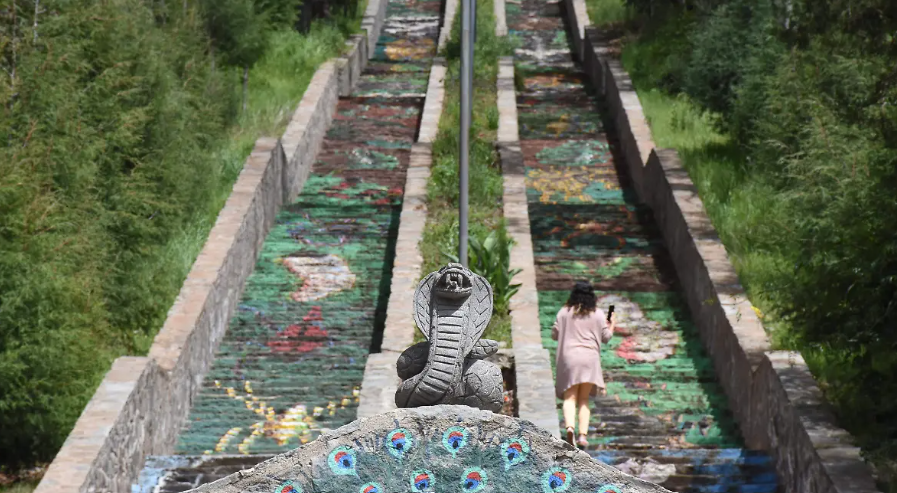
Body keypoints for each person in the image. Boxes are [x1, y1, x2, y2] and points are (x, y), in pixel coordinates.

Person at [551, 280, 616, 448]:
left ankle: (569, 428)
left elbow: (554, 334)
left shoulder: (564, 312)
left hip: (569, 358)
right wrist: (611, 325)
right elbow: (606, 337)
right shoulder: (598, 314)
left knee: (570, 396)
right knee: (584, 398)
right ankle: (582, 436)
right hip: (589, 359)